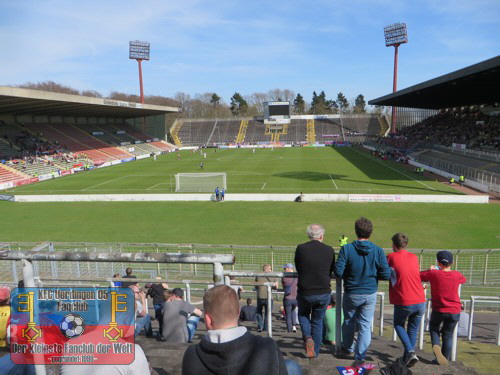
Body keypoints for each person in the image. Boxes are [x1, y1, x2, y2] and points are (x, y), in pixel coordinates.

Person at [182, 285, 302, 375]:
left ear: (208, 319)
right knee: (292, 367)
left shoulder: (191, 355)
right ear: (238, 313)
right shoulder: (267, 346)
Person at [334, 217, 390, 364]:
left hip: (352, 292)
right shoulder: (377, 250)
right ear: (370, 232)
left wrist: (351, 273)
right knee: (365, 325)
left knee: (348, 321)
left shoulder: (347, 249)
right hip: (369, 292)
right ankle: (360, 355)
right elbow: (386, 274)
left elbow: (338, 272)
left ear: (356, 231)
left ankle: (349, 347)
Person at [295, 223, 335, 358]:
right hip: (323, 290)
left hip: (305, 289)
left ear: (309, 235)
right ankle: (315, 351)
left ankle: (307, 337)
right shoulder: (329, 250)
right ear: (322, 236)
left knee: (303, 314)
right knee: (318, 321)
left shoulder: (301, 248)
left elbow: (298, 267)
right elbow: (331, 270)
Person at [386, 233, 426, 367]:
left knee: (398, 324)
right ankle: (406, 359)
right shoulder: (414, 257)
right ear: (406, 245)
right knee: (412, 329)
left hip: (405, 300)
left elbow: (384, 271)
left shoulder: (391, 257)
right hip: (420, 299)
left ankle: (409, 352)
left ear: (394, 245)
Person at [420, 251, 466, 365]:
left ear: (438, 262)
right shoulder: (456, 274)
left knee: (434, 328)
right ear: (452, 262)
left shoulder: (433, 273)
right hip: (455, 309)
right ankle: (445, 359)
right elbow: (463, 279)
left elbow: (420, 275)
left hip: (439, 309)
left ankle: (436, 347)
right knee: (448, 334)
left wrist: (431, 269)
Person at [255, 264, 279, 333]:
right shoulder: (273, 275)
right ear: (268, 269)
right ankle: (266, 328)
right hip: (269, 297)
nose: (271, 270)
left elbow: (256, 285)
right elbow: (276, 287)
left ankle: (260, 326)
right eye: (270, 268)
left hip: (260, 296)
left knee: (259, 311)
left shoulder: (258, 275)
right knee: (268, 313)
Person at [281, 263, 298, 333]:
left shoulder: (284, 277)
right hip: (296, 298)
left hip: (288, 298)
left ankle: (289, 329)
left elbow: (283, 286)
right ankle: (294, 326)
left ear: (288, 268)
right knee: (293, 311)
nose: (284, 270)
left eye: (285, 268)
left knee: (288, 314)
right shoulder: (297, 276)